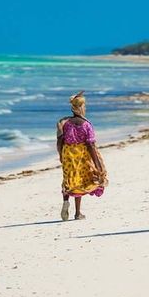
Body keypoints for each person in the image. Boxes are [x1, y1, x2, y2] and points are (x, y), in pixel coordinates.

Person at [56, 91, 107, 221]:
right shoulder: (86, 125)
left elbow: (61, 140)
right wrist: (97, 163)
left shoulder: (66, 123)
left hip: (68, 154)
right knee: (80, 181)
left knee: (68, 178)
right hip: (82, 156)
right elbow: (91, 145)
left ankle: (66, 200)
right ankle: (78, 213)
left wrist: (61, 154)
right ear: (82, 107)